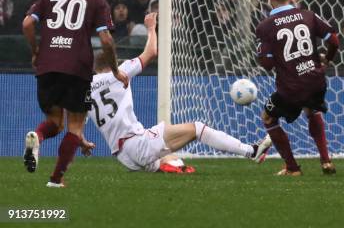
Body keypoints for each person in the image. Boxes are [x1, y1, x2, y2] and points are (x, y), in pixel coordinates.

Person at [87, 12, 272, 173]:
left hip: (122, 156)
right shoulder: (120, 73)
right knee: (197, 128)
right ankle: (252, 151)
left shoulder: (85, 88)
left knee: (171, 157)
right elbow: (151, 52)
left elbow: (77, 121)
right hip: (136, 143)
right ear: (114, 62)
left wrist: (82, 142)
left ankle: (170, 166)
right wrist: (151, 28)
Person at [22, 0, 128, 188]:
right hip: (77, 67)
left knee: (54, 121)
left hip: (47, 65)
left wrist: (35, 50)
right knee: (75, 126)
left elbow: (27, 23)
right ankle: (56, 179)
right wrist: (115, 70)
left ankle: (36, 138)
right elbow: (106, 41)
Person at [256, 0, 339, 176]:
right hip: (316, 80)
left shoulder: (265, 27)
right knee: (312, 109)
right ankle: (326, 161)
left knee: (268, 117)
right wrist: (326, 60)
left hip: (291, 87)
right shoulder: (308, 15)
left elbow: (267, 64)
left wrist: (280, 57)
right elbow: (334, 40)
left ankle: (292, 167)